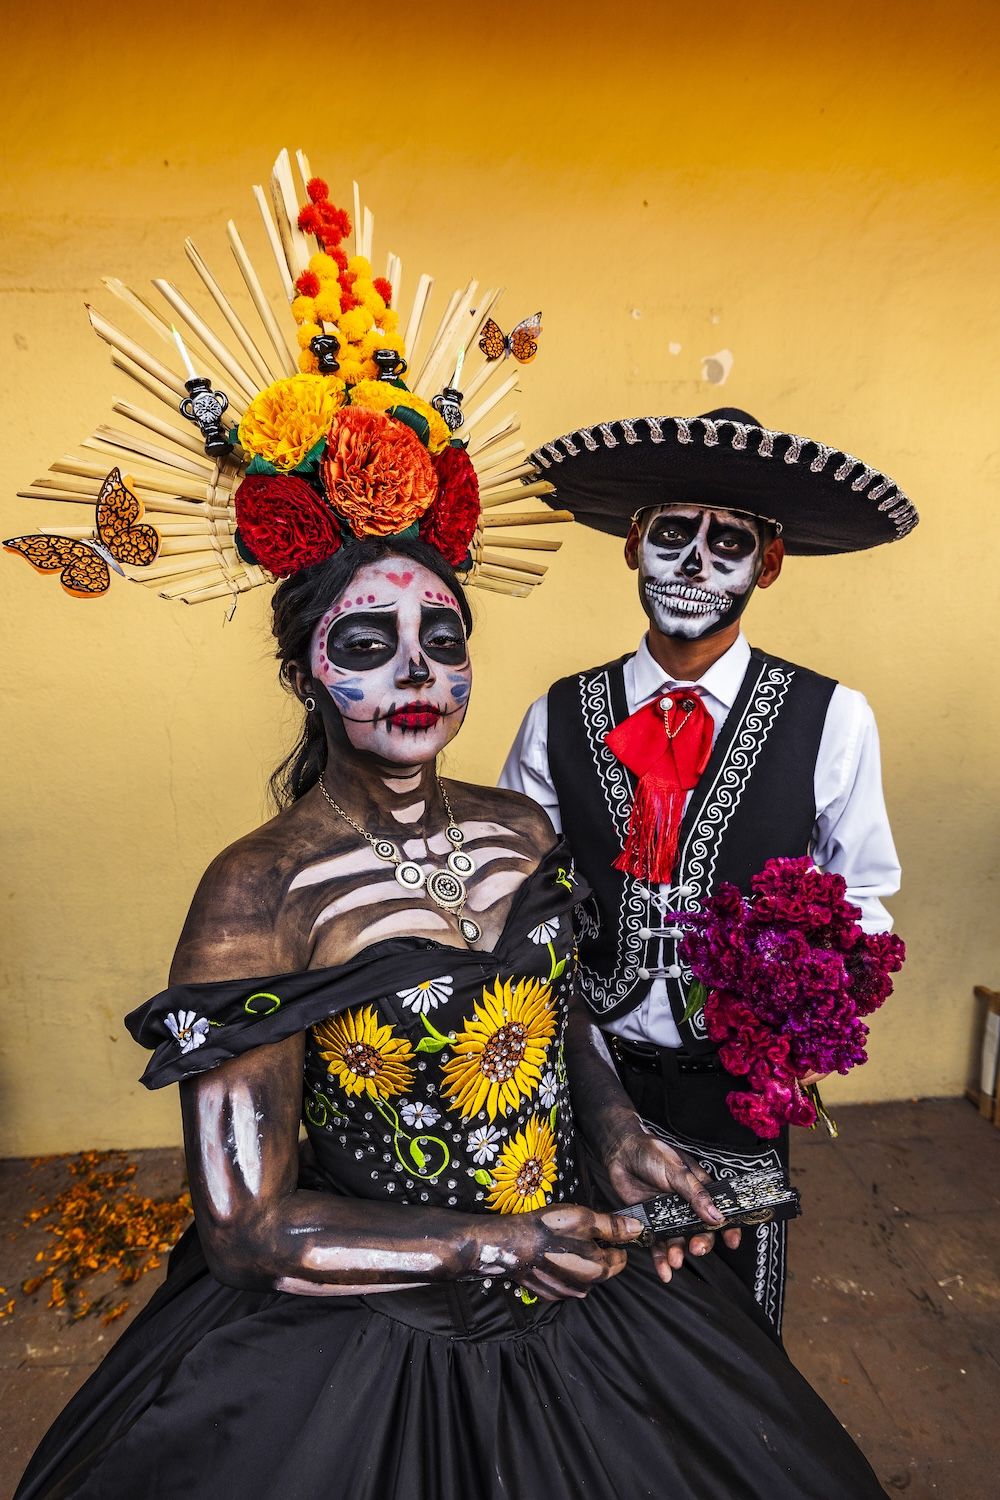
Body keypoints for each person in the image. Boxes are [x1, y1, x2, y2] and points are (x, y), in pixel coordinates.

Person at [15, 533, 888, 1500]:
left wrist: (615, 1129)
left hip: (584, 1286)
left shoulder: (519, 830)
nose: (416, 667)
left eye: (441, 636)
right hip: (376, 1332)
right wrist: (503, 1247)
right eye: (366, 645)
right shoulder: (259, 890)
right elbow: (244, 1229)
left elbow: (558, 1017)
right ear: (303, 670)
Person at [501, 405, 917, 1333]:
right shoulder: (557, 717)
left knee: (728, 1321)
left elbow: (863, 902)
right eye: (672, 534)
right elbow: (517, 906)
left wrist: (804, 1026)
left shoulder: (831, 716)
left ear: (768, 564)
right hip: (588, 1076)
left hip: (734, 1084)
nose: (693, 563)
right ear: (632, 547)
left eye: (726, 542)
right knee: (583, 1315)